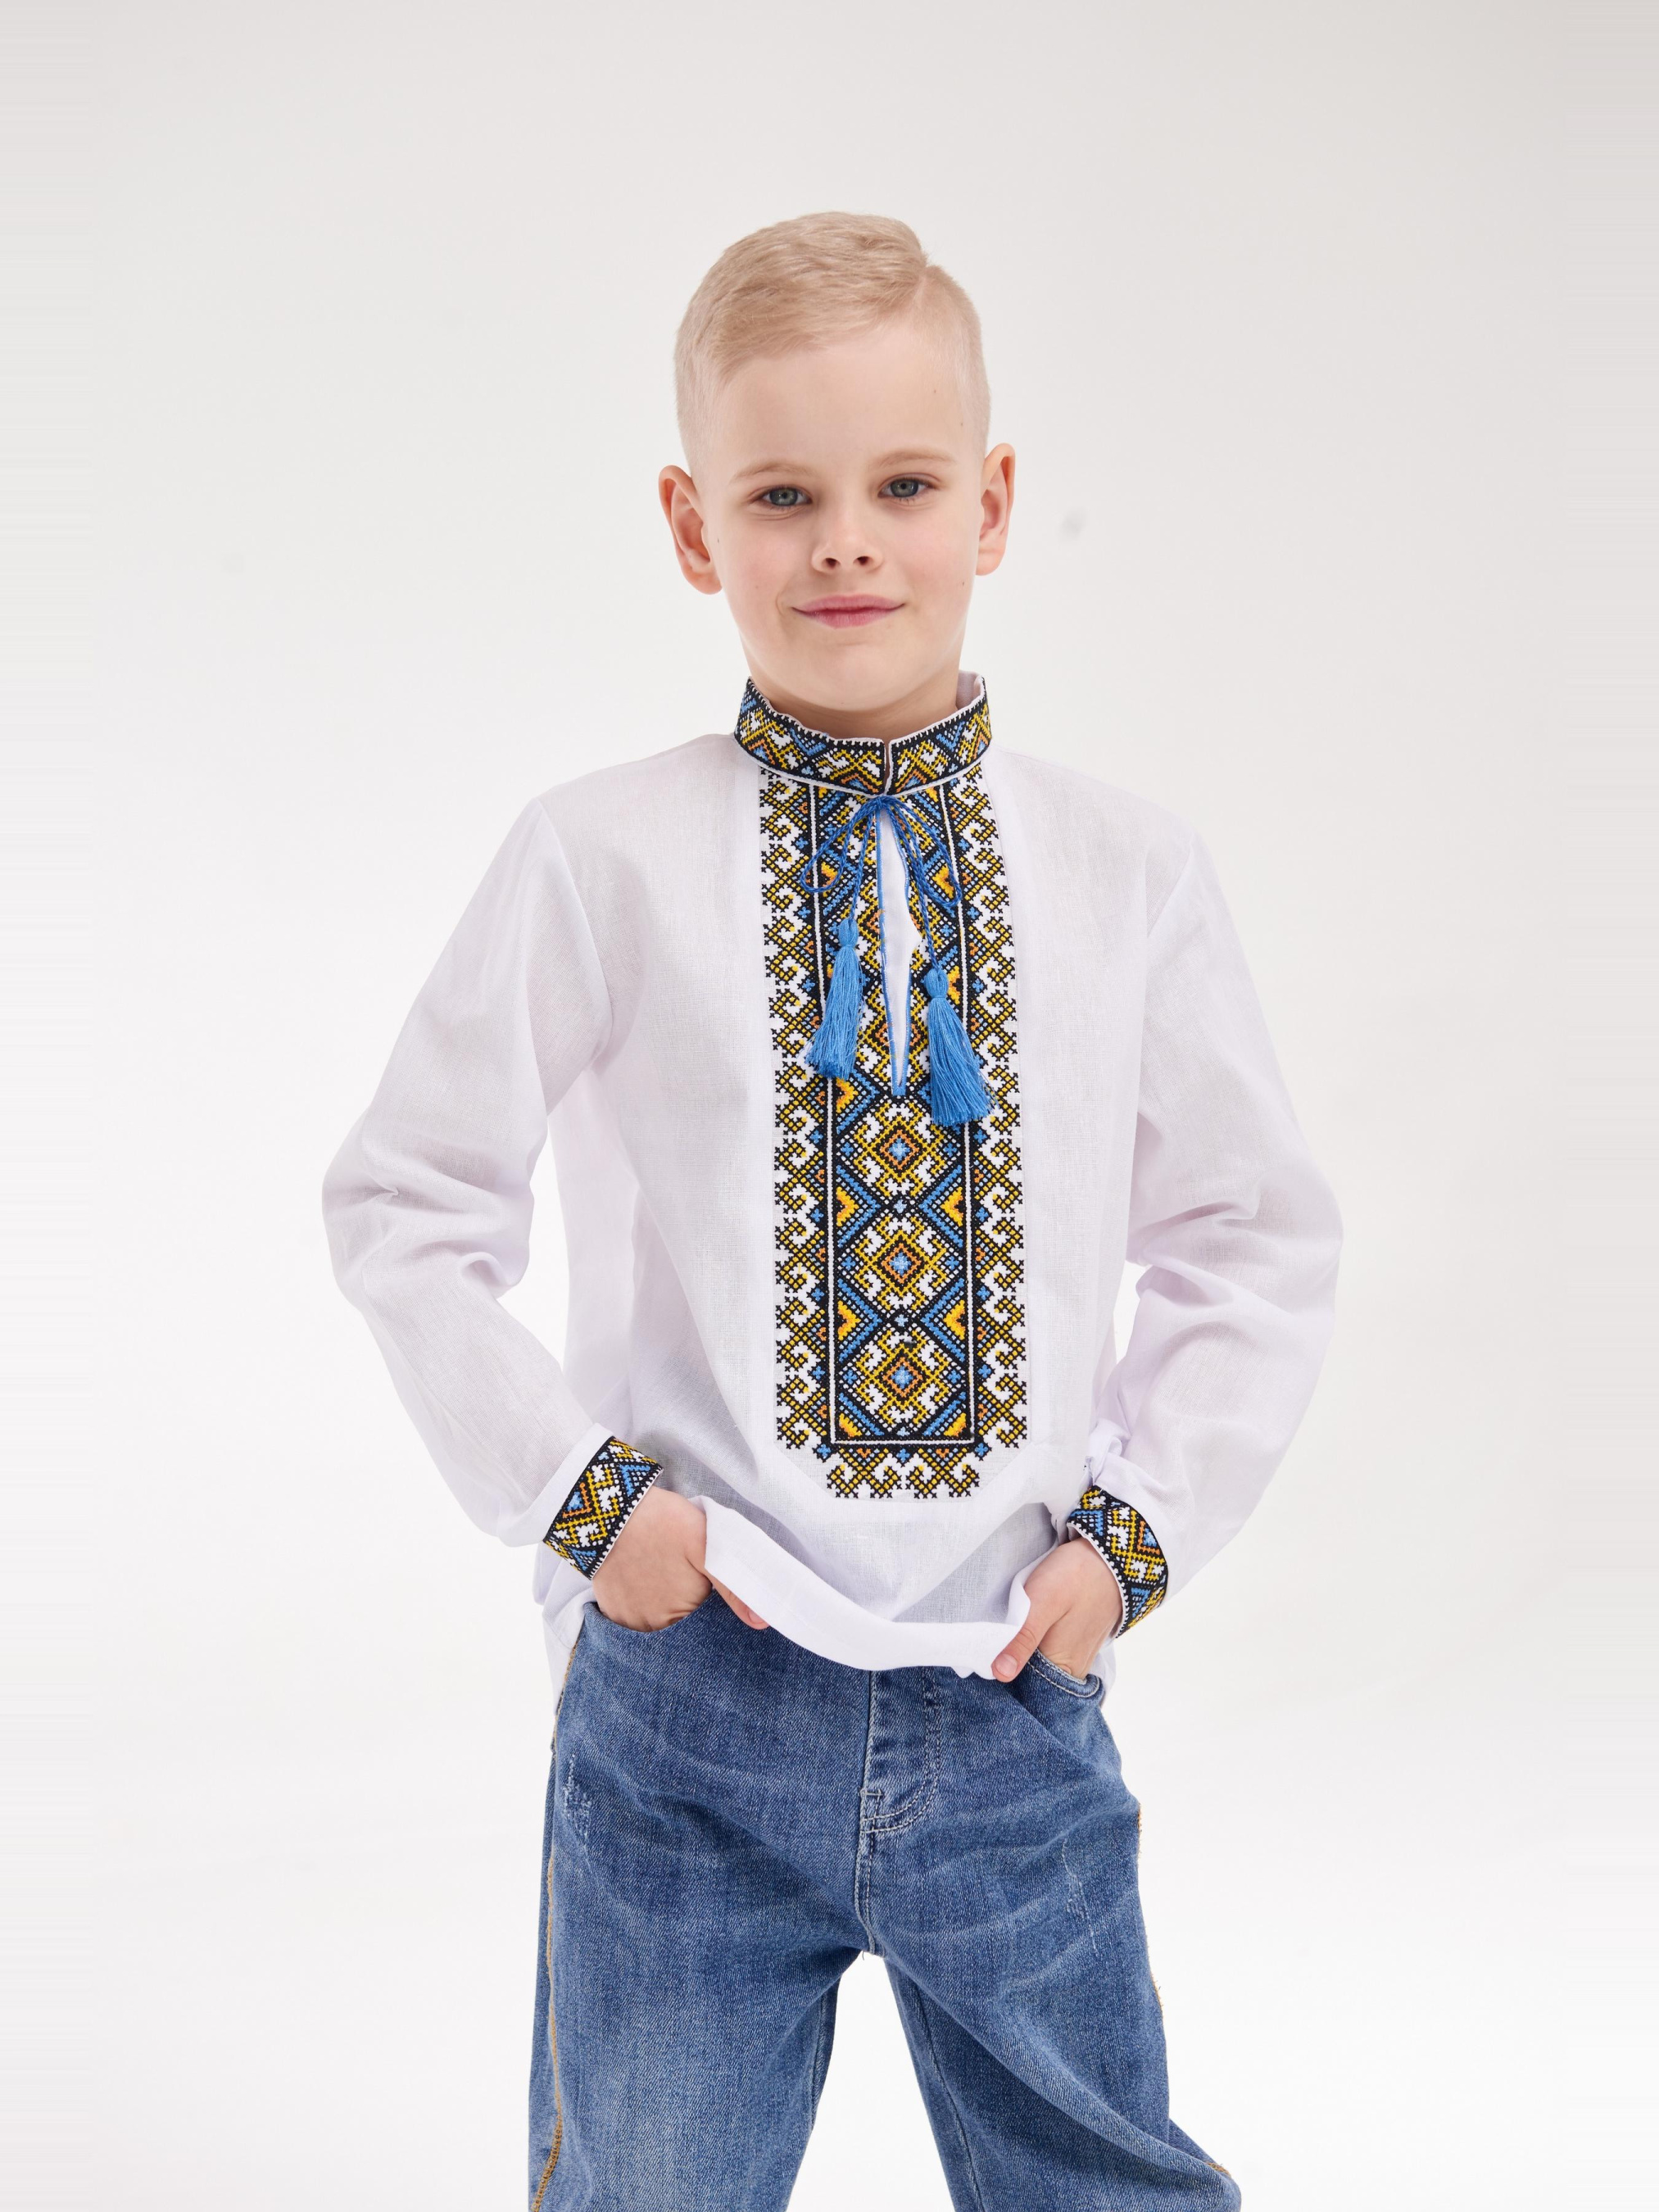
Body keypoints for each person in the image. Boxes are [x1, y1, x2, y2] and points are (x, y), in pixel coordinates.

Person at [323, 211, 1342, 2211]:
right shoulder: (601, 857)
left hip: (1007, 1687)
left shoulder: (1123, 873)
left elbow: (1249, 1235)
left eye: (902, 488)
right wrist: (586, 1505)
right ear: (693, 527)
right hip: (690, 1700)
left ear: (993, 503)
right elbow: (404, 1198)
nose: (845, 544)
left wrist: (1127, 1542)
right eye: (783, 496)